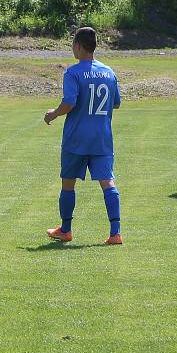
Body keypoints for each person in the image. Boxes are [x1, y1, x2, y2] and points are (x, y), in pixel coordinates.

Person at [43, 27, 122, 245]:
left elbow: (69, 102)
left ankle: (66, 230)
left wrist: (53, 114)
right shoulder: (108, 72)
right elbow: (116, 102)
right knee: (108, 182)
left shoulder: (73, 72)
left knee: (68, 184)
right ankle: (115, 233)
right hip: (102, 138)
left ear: (78, 45)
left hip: (77, 138)